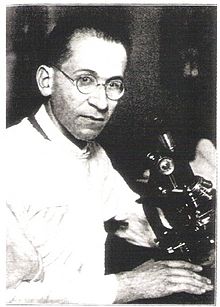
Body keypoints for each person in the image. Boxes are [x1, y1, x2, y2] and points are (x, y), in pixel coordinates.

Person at [6, 7, 215, 304]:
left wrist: (198, 231)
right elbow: (8, 297)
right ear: (46, 81)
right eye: (85, 80)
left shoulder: (92, 153)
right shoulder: (9, 162)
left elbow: (136, 220)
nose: (102, 102)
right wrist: (126, 286)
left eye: (113, 84)